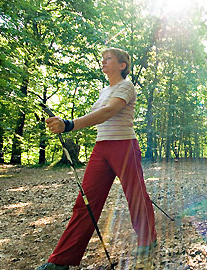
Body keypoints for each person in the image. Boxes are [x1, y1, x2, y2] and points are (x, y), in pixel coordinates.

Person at [37, 48, 157, 270]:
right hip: (101, 148)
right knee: (85, 202)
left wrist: (69, 124)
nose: (103, 61)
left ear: (122, 65)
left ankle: (148, 240)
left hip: (124, 145)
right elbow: (99, 117)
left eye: (108, 58)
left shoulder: (126, 86)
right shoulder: (104, 90)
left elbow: (108, 112)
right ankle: (61, 260)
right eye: (103, 59)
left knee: (135, 196)